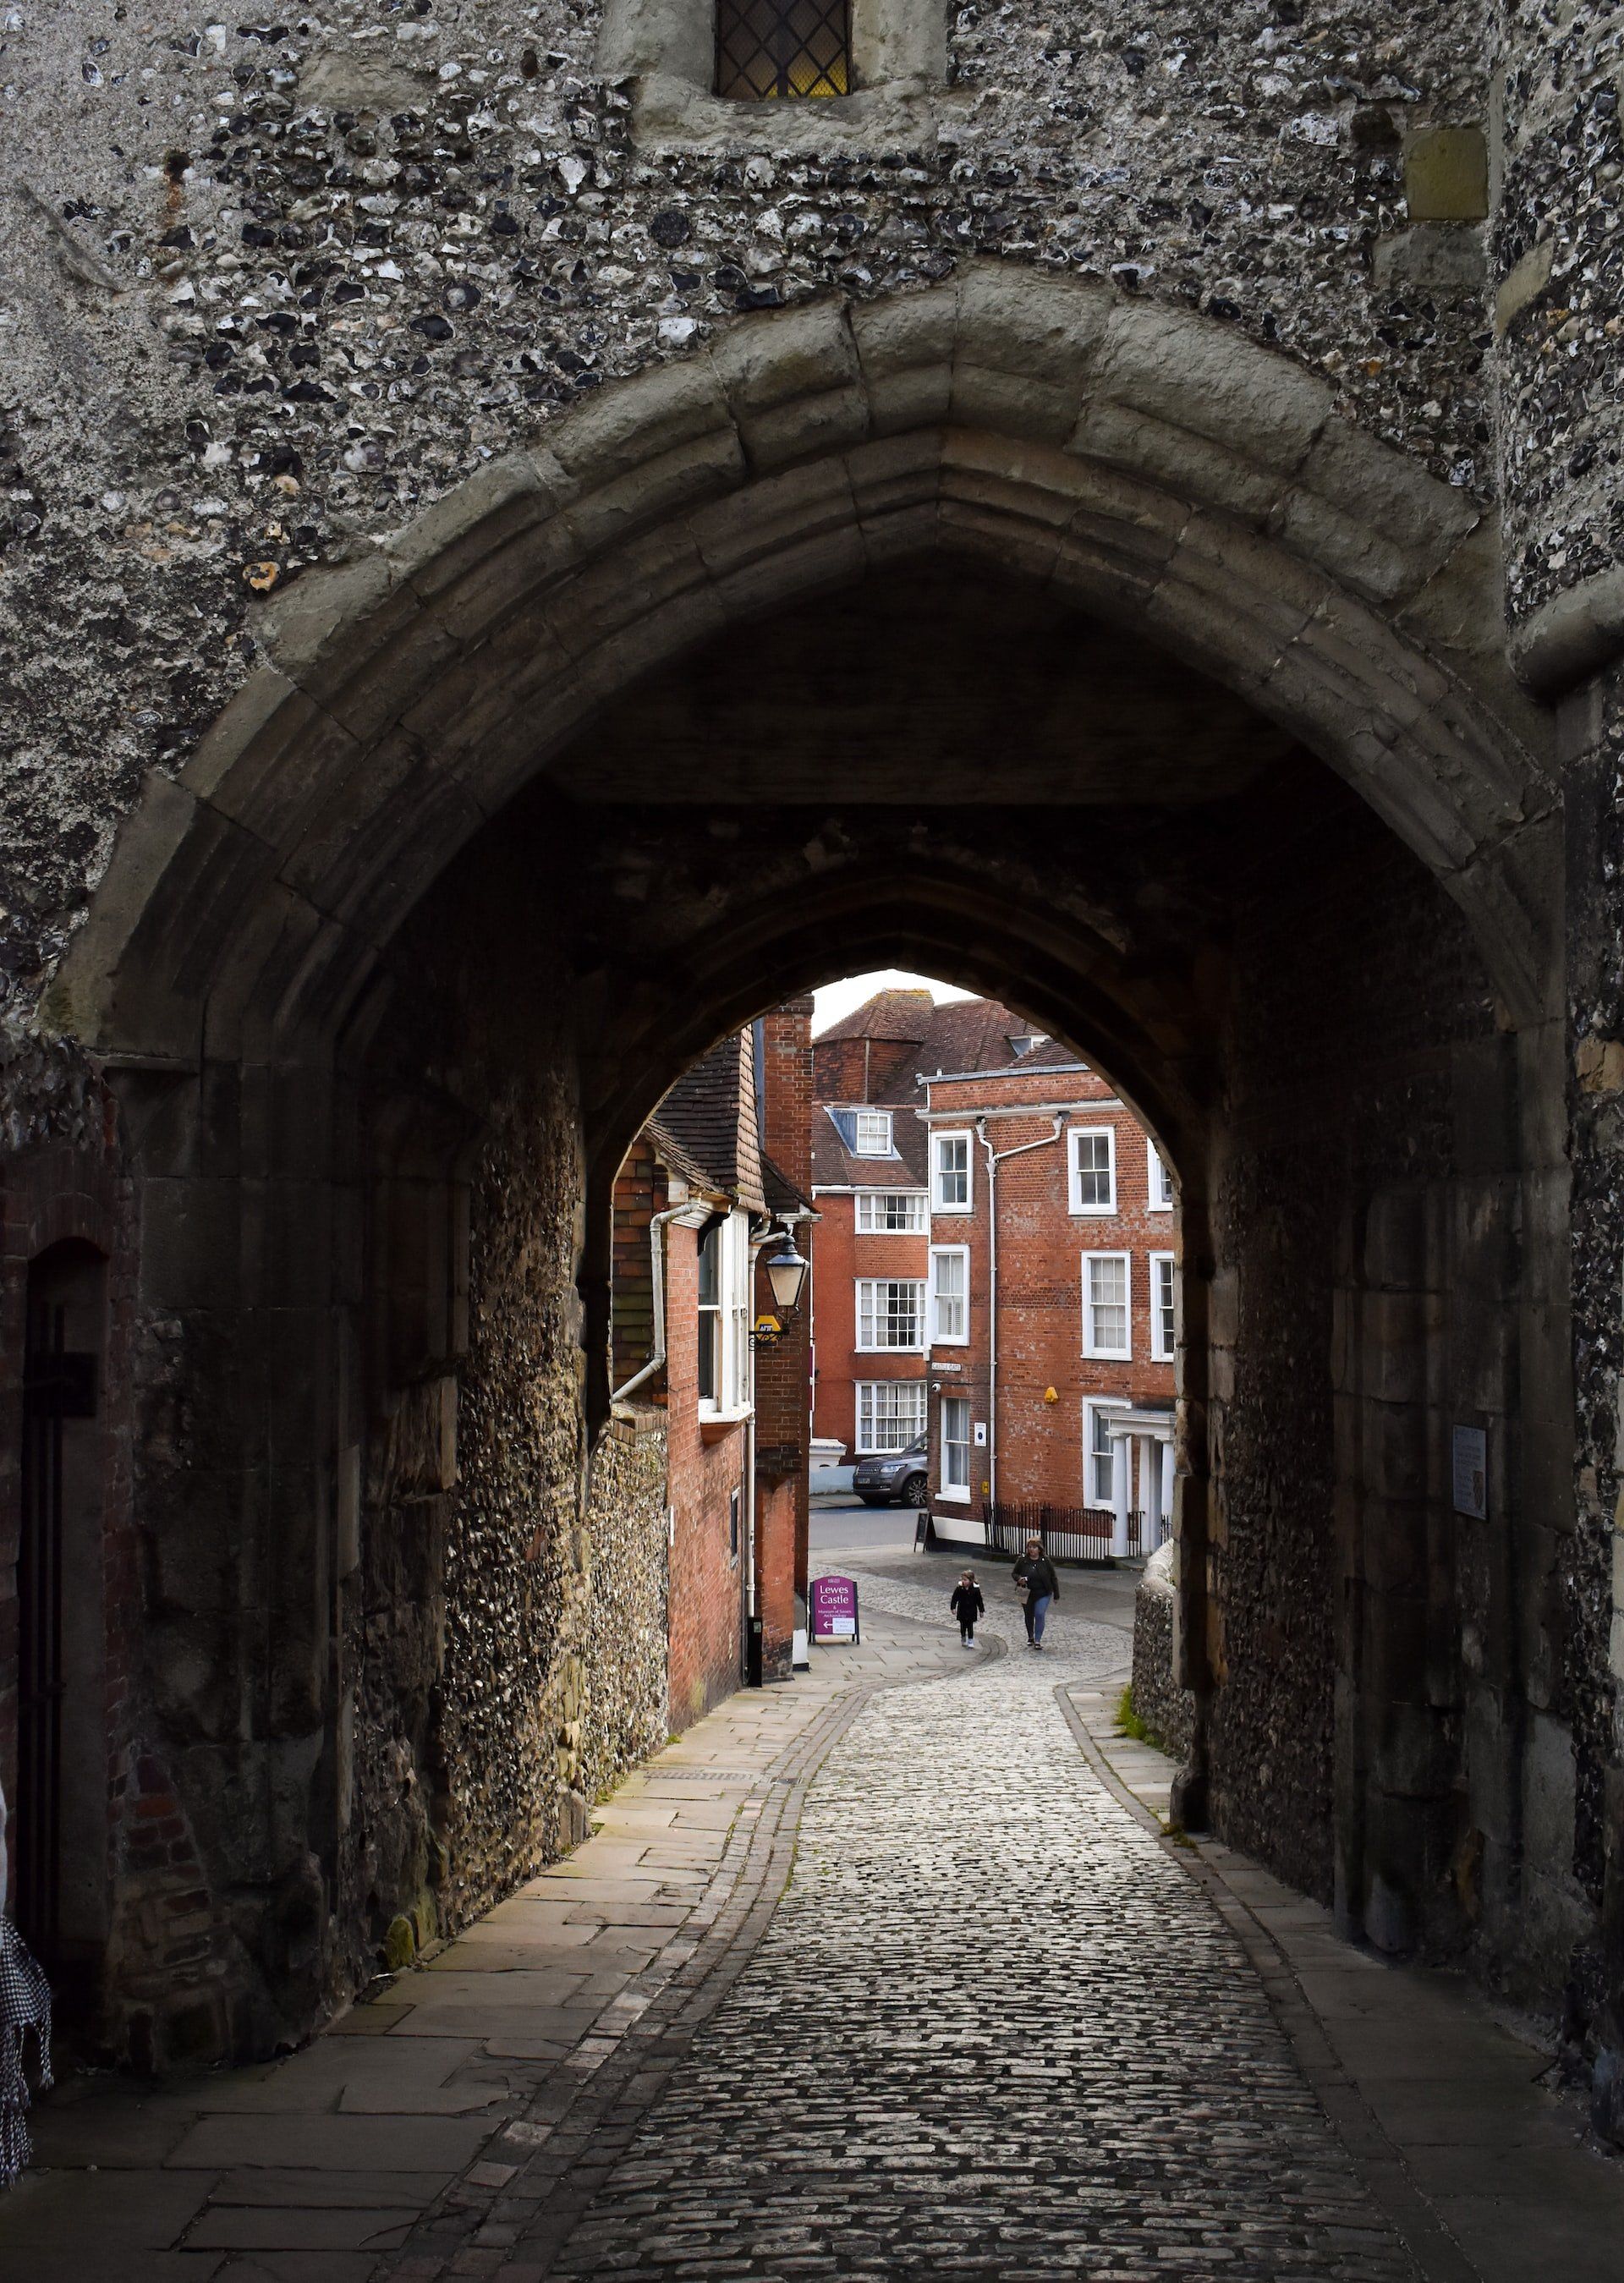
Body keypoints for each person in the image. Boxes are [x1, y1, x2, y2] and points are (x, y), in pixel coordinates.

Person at [1011, 1538, 1059, 1650]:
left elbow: (1053, 1577)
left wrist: (1056, 1594)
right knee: (1029, 1615)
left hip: (1043, 1592)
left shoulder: (1045, 1561)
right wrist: (1019, 1579)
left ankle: (1038, 1640)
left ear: (1039, 1549)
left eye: (1034, 1547)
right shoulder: (1023, 1560)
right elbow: (1014, 1573)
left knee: (1040, 1614)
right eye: (1030, 1547)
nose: (1031, 1550)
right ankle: (1030, 1636)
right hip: (1025, 1591)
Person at [949, 1571, 985, 1648]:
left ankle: (970, 1641)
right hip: (962, 1610)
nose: (963, 1581)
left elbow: (979, 1600)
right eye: (963, 1580)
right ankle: (963, 1637)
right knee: (963, 1626)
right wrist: (953, 1607)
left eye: (965, 1580)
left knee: (970, 1626)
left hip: (971, 1610)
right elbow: (954, 1598)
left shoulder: (975, 1590)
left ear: (971, 1580)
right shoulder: (959, 1588)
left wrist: (981, 1610)